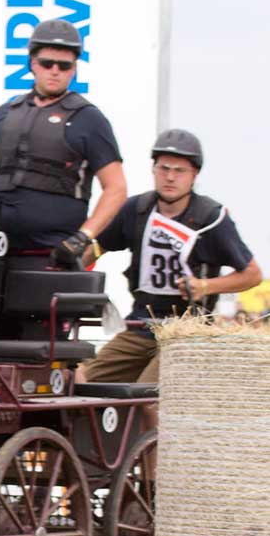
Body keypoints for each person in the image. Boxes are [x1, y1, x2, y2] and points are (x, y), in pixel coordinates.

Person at [81, 129, 261, 384]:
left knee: (148, 396)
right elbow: (99, 247)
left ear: (194, 176)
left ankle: (152, 423)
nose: (170, 177)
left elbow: (252, 275)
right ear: (153, 169)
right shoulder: (136, 209)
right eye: (164, 168)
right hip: (141, 326)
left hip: (187, 330)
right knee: (83, 381)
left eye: (179, 171)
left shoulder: (211, 218)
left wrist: (205, 286)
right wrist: (72, 265)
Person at [0, 18, 127, 268]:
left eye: (64, 66)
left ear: (74, 69)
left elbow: (116, 188)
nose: (55, 70)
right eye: (47, 63)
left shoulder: (90, 119)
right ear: (33, 64)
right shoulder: (4, 114)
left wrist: (82, 238)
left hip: (55, 256)